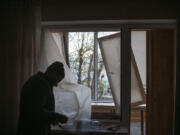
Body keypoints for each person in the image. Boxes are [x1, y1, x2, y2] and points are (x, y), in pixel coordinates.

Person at [16, 61, 68, 135]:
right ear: (52, 73)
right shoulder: (40, 84)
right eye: (58, 80)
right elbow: (36, 112)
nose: (56, 84)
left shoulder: (38, 81)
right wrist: (57, 117)